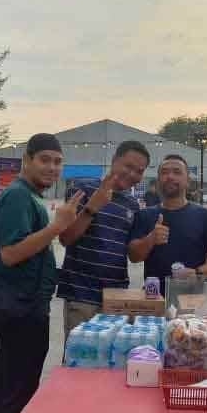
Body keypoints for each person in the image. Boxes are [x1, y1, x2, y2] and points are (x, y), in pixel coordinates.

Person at [0, 134, 83, 413]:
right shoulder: (17, 198)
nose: (52, 167)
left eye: (57, 161)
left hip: (26, 306)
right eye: (45, 159)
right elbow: (10, 254)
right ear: (27, 159)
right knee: (14, 392)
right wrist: (58, 227)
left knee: (10, 387)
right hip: (18, 308)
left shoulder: (29, 196)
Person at [57, 141, 150, 337]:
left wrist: (151, 239)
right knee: (80, 361)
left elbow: (133, 255)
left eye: (139, 171)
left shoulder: (132, 205)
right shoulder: (82, 189)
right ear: (114, 160)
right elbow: (66, 238)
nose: (133, 174)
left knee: (112, 361)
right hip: (81, 295)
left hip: (116, 297)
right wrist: (92, 206)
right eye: (128, 166)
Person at [128, 154, 207, 292]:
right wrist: (150, 239)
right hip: (153, 298)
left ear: (188, 181)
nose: (170, 176)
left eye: (177, 172)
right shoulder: (144, 215)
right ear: (158, 181)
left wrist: (197, 273)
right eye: (164, 172)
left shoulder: (206, 216)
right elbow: (133, 257)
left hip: (192, 300)